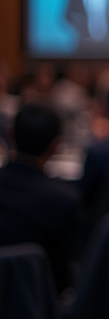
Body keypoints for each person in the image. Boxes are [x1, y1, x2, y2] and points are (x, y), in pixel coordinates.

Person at [0, 104, 80, 294]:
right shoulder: (63, 201)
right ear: (55, 147)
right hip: (35, 303)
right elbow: (62, 279)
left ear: (10, 135)